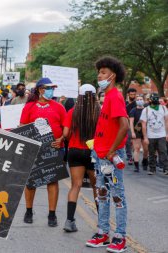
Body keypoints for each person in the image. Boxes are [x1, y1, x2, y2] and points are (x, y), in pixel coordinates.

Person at [86, 56, 129, 253]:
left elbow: (124, 125)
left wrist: (112, 150)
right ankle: (103, 233)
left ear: (112, 75)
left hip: (111, 156)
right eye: (99, 72)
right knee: (102, 195)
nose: (99, 76)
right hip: (101, 156)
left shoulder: (115, 96)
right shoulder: (107, 96)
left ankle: (120, 236)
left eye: (103, 73)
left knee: (117, 197)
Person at [20, 77, 66, 227]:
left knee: (52, 180)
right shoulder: (30, 107)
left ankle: (52, 214)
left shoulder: (59, 107)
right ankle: (28, 210)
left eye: (53, 88)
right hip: (34, 148)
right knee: (31, 181)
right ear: (41, 90)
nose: (52, 90)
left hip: (54, 148)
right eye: (49, 88)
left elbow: (66, 126)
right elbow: (22, 126)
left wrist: (61, 138)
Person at [63, 84, 99, 232]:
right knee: (97, 186)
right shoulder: (98, 112)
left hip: (75, 151)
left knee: (75, 185)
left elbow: (66, 134)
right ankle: (102, 223)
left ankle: (69, 220)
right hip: (93, 152)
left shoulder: (72, 111)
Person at [140, 93, 168, 175]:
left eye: (157, 98)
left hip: (161, 134)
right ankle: (152, 168)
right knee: (151, 152)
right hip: (150, 135)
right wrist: (145, 137)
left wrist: (167, 134)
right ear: (150, 100)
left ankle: (166, 168)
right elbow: (143, 124)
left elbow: (166, 121)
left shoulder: (163, 108)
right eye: (154, 98)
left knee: (163, 151)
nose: (155, 100)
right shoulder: (146, 110)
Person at [129, 95, 148, 172]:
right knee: (136, 148)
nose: (139, 100)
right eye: (138, 99)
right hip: (136, 131)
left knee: (146, 149)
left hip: (146, 131)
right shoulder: (133, 111)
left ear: (143, 100)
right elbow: (131, 122)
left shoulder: (147, 110)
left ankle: (145, 160)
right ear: (136, 101)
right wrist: (132, 132)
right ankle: (136, 166)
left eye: (141, 99)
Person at [125, 88, 137, 165]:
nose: (133, 96)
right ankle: (129, 157)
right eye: (131, 94)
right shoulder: (124, 103)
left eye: (134, 94)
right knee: (128, 142)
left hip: (137, 125)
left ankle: (134, 156)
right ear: (128, 94)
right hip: (128, 125)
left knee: (135, 142)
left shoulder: (137, 103)